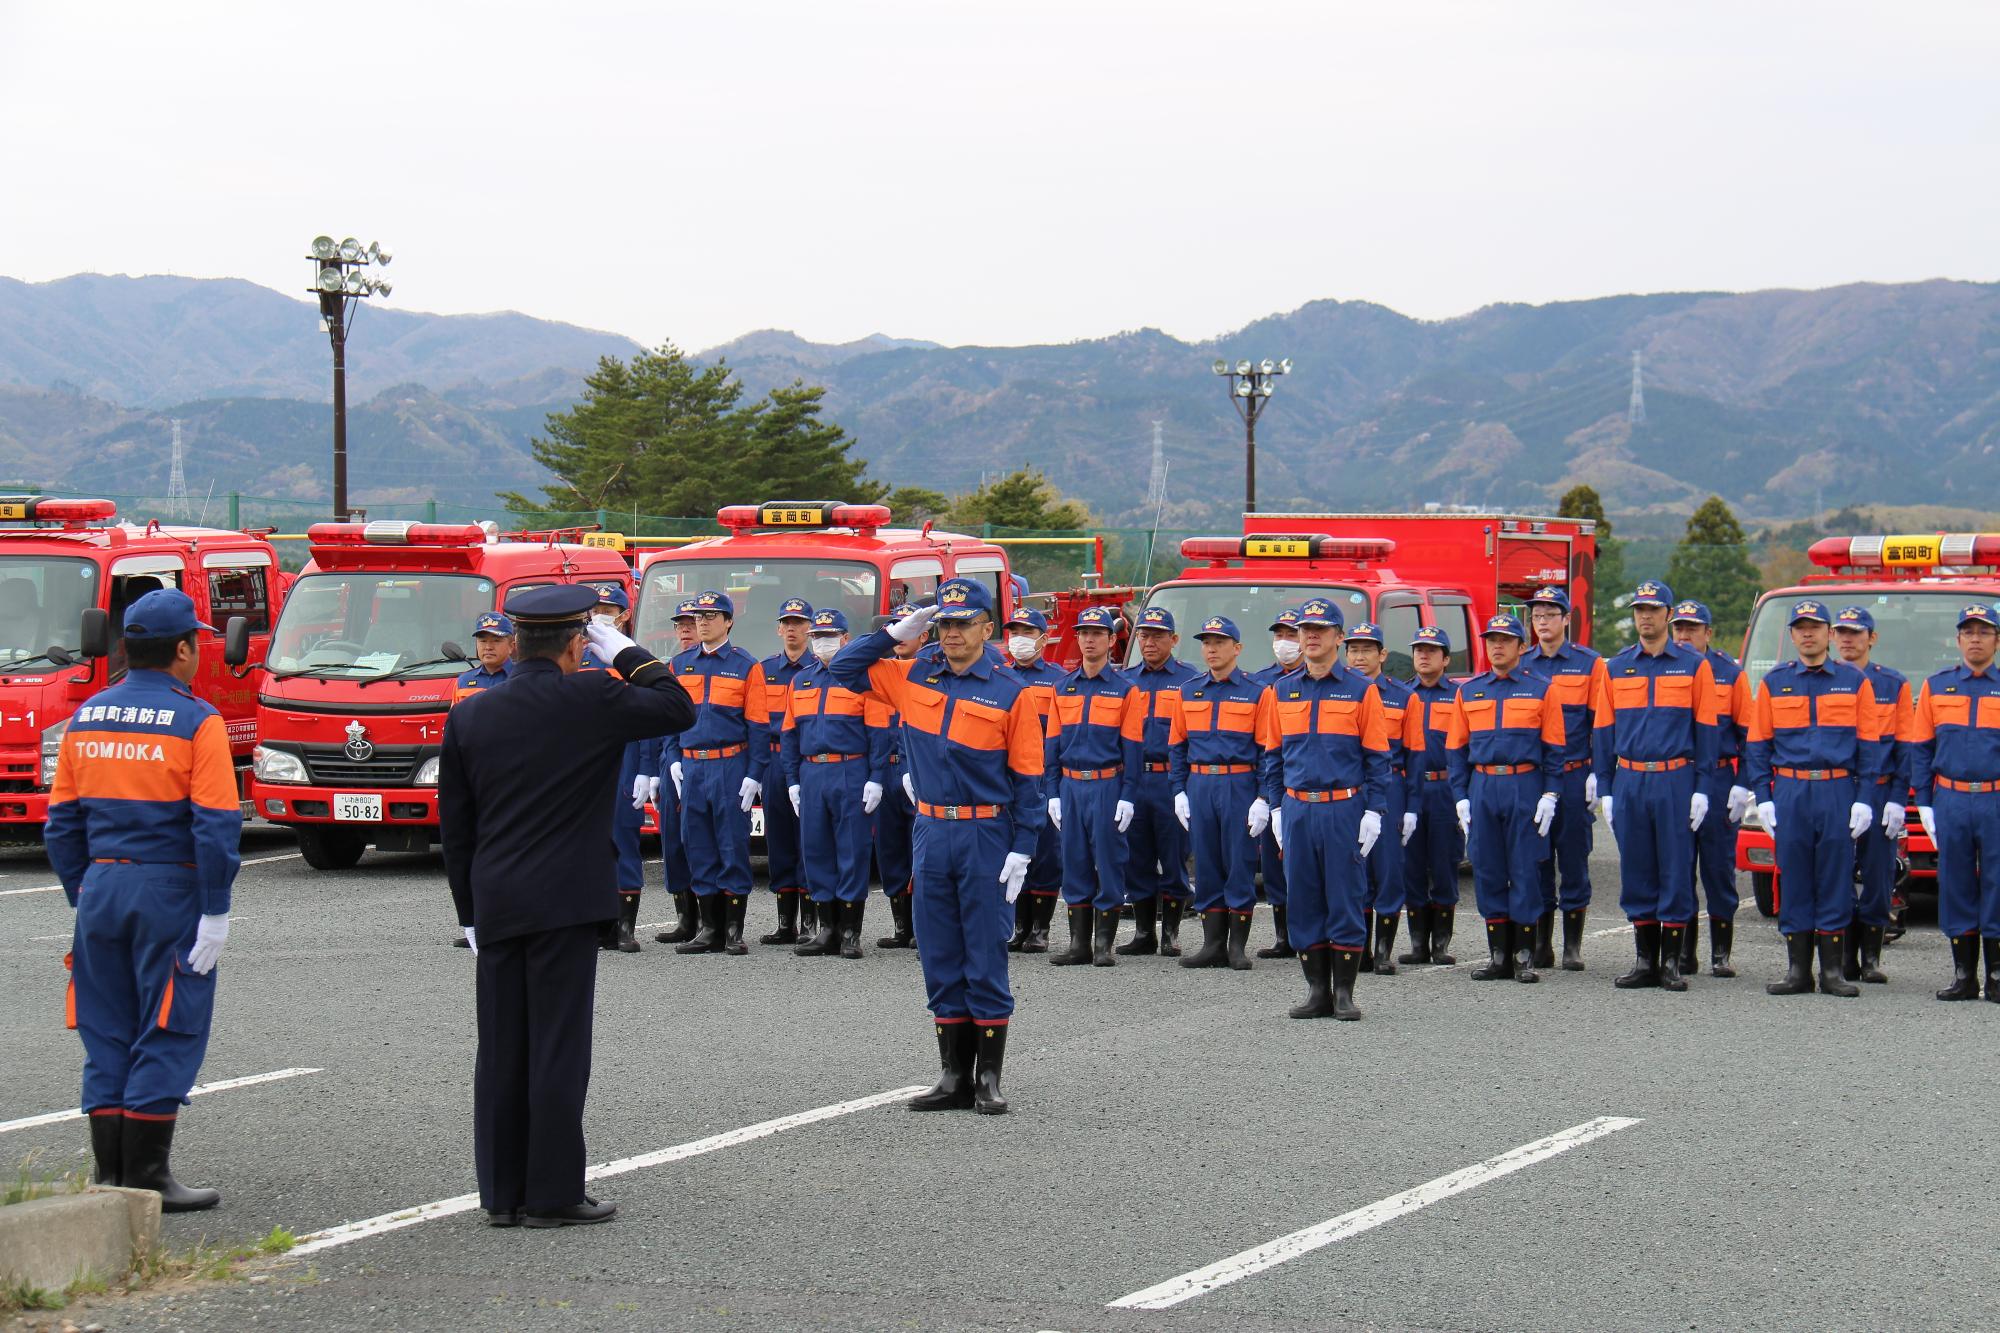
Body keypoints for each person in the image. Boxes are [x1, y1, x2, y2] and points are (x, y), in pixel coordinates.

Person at [440, 585, 694, 1227]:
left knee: (501, 1047)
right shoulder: (592, 694)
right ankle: (551, 1193)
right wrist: (628, 652)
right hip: (564, 901)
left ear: (518, 641)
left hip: (496, 898)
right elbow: (676, 706)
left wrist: (468, 911)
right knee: (556, 1046)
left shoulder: (472, 712)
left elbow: (456, 825)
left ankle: (502, 1195)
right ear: (578, 643)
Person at [46, 588, 241, 1209]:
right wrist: (215, 908)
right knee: (169, 1021)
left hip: (101, 883)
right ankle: (149, 1176)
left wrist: (84, 887)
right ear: (183, 649)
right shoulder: (197, 720)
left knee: (107, 1026)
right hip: (169, 885)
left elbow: (60, 822)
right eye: (196, 644)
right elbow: (215, 824)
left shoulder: (88, 716)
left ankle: (110, 1178)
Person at [829, 579, 1047, 1114]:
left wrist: (1024, 845)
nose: (951, 633)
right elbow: (842, 669)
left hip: (985, 833)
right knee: (939, 949)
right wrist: (890, 634)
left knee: (985, 949)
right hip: (930, 829)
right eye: (943, 624)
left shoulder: (1008, 690)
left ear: (986, 628)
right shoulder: (914, 674)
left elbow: (1028, 777)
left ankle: (989, 1077)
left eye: (962, 623)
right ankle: (953, 1075)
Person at [1740, 598, 1884, 998]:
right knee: (1795, 876)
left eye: (1815, 626)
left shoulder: (1854, 682)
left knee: (1835, 877)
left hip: (1837, 788)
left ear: (1829, 634)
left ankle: (1833, 972)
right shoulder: (1774, 682)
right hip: (1790, 789)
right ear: (1791, 636)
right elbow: (1758, 744)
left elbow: (1869, 745)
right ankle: (1797, 971)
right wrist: (1763, 796)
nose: (1808, 633)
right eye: (1800, 627)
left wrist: (1864, 797)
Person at [1258, 597, 1392, 1020]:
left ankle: (1346, 992)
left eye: (1320, 629)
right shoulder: (1281, 690)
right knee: (1303, 897)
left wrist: (1375, 810)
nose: (1310, 636)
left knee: (1345, 896)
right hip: (1298, 809)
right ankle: (1317, 990)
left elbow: (1376, 756)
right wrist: (1276, 807)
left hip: (1342, 809)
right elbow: (1273, 756)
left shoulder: (1360, 689)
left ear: (1338, 637)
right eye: (1304, 630)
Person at [1591, 580, 1720, 991]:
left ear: (1668, 614)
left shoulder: (1692, 665)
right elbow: (1603, 731)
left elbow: (1707, 730)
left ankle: (1671, 962)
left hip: (1675, 777)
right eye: (1638, 610)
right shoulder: (1616, 668)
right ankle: (1644, 960)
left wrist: (1703, 785)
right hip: (1630, 778)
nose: (1645, 616)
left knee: (1676, 866)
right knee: (1637, 868)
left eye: (1653, 609)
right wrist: (1607, 788)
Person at [1446, 614, 1565, 982]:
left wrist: (1550, 792)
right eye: (1491, 640)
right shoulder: (1470, 690)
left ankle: (1524, 956)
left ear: (1520, 646)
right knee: (1487, 867)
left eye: (1505, 640)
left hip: (1524, 785)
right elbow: (1456, 749)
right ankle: (1498, 956)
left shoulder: (1541, 689)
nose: (1496, 646)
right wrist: (1460, 796)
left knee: (1525, 867)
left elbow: (1555, 747)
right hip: (1483, 786)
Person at [661, 590, 770, 956]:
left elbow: (757, 724)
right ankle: (708, 928)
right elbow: (671, 719)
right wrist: (674, 757)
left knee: (732, 843)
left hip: (730, 764)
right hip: (692, 765)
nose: (702, 622)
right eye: (698, 616)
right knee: (698, 843)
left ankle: (733, 930)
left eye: (711, 616)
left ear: (728, 622)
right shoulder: (679, 664)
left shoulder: (745, 665)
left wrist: (755, 773)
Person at [1903, 603, 2000, 1002]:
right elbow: (1921, 748)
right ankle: (1964, 976)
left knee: (1997, 884)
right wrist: (1924, 802)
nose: (1975, 638)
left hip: (1995, 799)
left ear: (1996, 640)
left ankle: (1995, 976)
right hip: (1952, 799)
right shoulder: (1937, 686)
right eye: (1969, 631)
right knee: (1956, 884)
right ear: (1958, 639)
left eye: (1984, 631)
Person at [781, 609, 892, 958]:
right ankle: (826, 929)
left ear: (846, 639)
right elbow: (789, 734)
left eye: (831, 636)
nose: (823, 642)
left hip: (850, 770)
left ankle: (850, 932)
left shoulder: (861, 678)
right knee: (815, 850)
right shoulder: (801, 681)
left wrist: (876, 778)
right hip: (812, 771)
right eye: (818, 637)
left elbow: (878, 733)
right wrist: (792, 780)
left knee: (852, 850)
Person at [1168, 615, 1272, 970]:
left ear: (1237, 648)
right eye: (1207, 642)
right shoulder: (1188, 690)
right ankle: (1212, 944)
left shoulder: (1257, 692)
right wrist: (1179, 790)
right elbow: (1177, 746)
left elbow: (1267, 751)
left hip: (1239, 784)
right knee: (1206, 863)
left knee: (1239, 861)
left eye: (1219, 642)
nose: (1211, 649)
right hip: (1200, 784)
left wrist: (1263, 798)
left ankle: (1238, 946)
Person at [1045, 606, 1145, 967]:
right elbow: (1052, 746)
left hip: (1106, 785)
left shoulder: (1125, 690)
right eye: (1084, 633)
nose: (1089, 640)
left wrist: (1129, 795)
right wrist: (1052, 792)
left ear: (1111, 639)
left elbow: (1133, 747)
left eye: (1097, 634)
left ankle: (1104, 945)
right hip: (1071, 786)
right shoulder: (1063, 687)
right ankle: (1079, 945)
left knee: (1109, 861)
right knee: (1074, 862)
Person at [1520, 586, 1609, 970]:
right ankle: (1542, 943)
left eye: (1549, 614)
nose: (1542, 621)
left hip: (1574, 776)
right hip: (1535, 779)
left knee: (1573, 859)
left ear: (1566, 619)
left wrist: (1597, 773)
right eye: (1536, 615)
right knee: (1537, 860)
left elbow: (1601, 724)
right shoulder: (1523, 664)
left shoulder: (1590, 665)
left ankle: (1572, 945)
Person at [1669, 600, 1755, 977]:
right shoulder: (1668, 667)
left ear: (1709, 633)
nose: (1684, 635)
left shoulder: (1729, 674)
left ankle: (1721, 952)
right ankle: (1685, 952)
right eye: (1679, 628)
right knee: (1678, 865)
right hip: (1678, 776)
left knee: (1718, 868)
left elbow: (1749, 736)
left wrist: (1742, 784)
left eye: (1692, 628)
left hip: (1719, 779)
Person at [1831, 604, 1912, 984]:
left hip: (1879, 793)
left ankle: (1871, 957)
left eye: (1856, 633)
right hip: (1836, 790)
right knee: (1837, 873)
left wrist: (1898, 798)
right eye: (1842, 633)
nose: (1848, 639)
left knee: (1879, 877)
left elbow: (1904, 747)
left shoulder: (1893, 685)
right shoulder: (1823, 679)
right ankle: (1845, 955)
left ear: (1871, 638)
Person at [1341, 623, 1425, 973]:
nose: (1359, 657)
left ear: (1382, 655)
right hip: (1350, 789)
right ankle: (1359, 948)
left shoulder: (1405, 697)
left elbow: (1416, 756)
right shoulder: (1342, 692)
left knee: (1388, 869)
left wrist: (1413, 807)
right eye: (1354, 650)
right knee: (1355, 867)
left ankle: (1384, 950)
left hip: (1390, 787)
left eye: (1367, 650)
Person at [1122, 606, 1200, 955]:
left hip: (1170, 779)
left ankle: (1170, 933)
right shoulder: (1125, 681)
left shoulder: (1189, 680)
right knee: (1135, 856)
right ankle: (1143, 933)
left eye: (1157, 635)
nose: (1149, 642)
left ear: (1174, 639)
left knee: (1173, 855)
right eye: (1144, 635)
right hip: (1135, 780)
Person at [584, 583, 657, 953]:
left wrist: (647, 767)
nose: (601, 614)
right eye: (596, 608)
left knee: (623, 839)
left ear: (625, 615)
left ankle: (624, 927)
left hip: (625, 756)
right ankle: (593, 924)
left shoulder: (634, 657)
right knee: (584, 844)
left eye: (609, 609)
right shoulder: (579, 654)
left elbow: (648, 716)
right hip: (584, 760)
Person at [999, 608, 1064, 953]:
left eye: (1027, 631)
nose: (1018, 638)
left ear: (1043, 637)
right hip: (1005, 776)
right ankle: (1018, 924)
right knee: (1010, 845)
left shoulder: (1057, 679)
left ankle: (1041, 927)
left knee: (1046, 850)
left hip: (1041, 775)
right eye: (1014, 631)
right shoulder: (999, 677)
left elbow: (1060, 734)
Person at [1400, 625, 1463, 965]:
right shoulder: (1403, 694)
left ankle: (1441, 944)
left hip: (1443, 789)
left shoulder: (1457, 697)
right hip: (1411, 787)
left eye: (1431, 650)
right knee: (1411, 865)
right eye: (1418, 650)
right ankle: (1417, 944)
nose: (1423, 655)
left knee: (1443, 863)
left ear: (1446, 659)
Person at [759, 598, 817, 945]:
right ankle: (785, 923)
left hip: (806, 763)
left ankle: (810, 922)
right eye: (788, 623)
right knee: (778, 841)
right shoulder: (764, 670)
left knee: (807, 840)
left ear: (810, 628)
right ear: (779, 629)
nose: (793, 629)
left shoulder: (822, 670)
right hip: (773, 761)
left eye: (799, 623)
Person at [1250, 608, 1306, 958]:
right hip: (1271, 785)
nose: (1283, 642)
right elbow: (1262, 745)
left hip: (1303, 785)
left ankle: (1309, 933)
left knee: (1305, 864)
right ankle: (1283, 936)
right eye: (1278, 635)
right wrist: (1262, 795)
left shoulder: (1313, 680)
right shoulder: (1261, 682)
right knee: (1273, 864)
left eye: (1290, 634)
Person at [871, 604, 923, 951]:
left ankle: (923, 925)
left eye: (909, 628)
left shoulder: (929, 675)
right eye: (895, 629)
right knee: (890, 851)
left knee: (921, 852)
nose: (902, 637)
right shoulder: (878, 673)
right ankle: (901, 926)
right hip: (883, 772)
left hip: (916, 772)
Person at [652, 599, 703, 945]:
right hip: (676, 761)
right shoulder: (672, 667)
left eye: (691, 623)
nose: (685, 630)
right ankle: (685, 918)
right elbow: (665, 722)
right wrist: (669, 761)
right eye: (680, 625)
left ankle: (710, 917)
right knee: (673, 842)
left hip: (709, 761)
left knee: (703, 841)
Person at [453, 611, 515, 703]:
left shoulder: (522, 677)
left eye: (496, 641)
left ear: (511, 646)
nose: (488, 647)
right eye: (483, 641)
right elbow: (456, 717)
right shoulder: (463, 682)